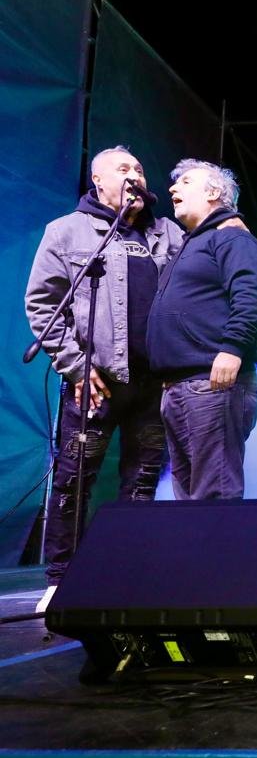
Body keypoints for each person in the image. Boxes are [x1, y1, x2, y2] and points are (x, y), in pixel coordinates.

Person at [24, 146, 184, 612]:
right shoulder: (67, 231)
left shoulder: (169, 233)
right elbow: (42, 305)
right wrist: (76, 365)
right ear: (98, 181)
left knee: (142, 482)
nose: (135, 175)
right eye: (123, 169)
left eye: (139, 168)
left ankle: (126, 576)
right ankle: (61, 579)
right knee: (74, 481)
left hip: (152, 383)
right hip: (96, 383)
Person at [146, 158, 257, 501]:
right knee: (189, 500)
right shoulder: (192, 244)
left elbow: (251, 296)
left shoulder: (232, 237)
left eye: (186, 182)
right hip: (181, 386)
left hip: (213, 384)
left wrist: (232, 348)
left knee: (214, 495)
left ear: (213, 192)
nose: (173, 188)